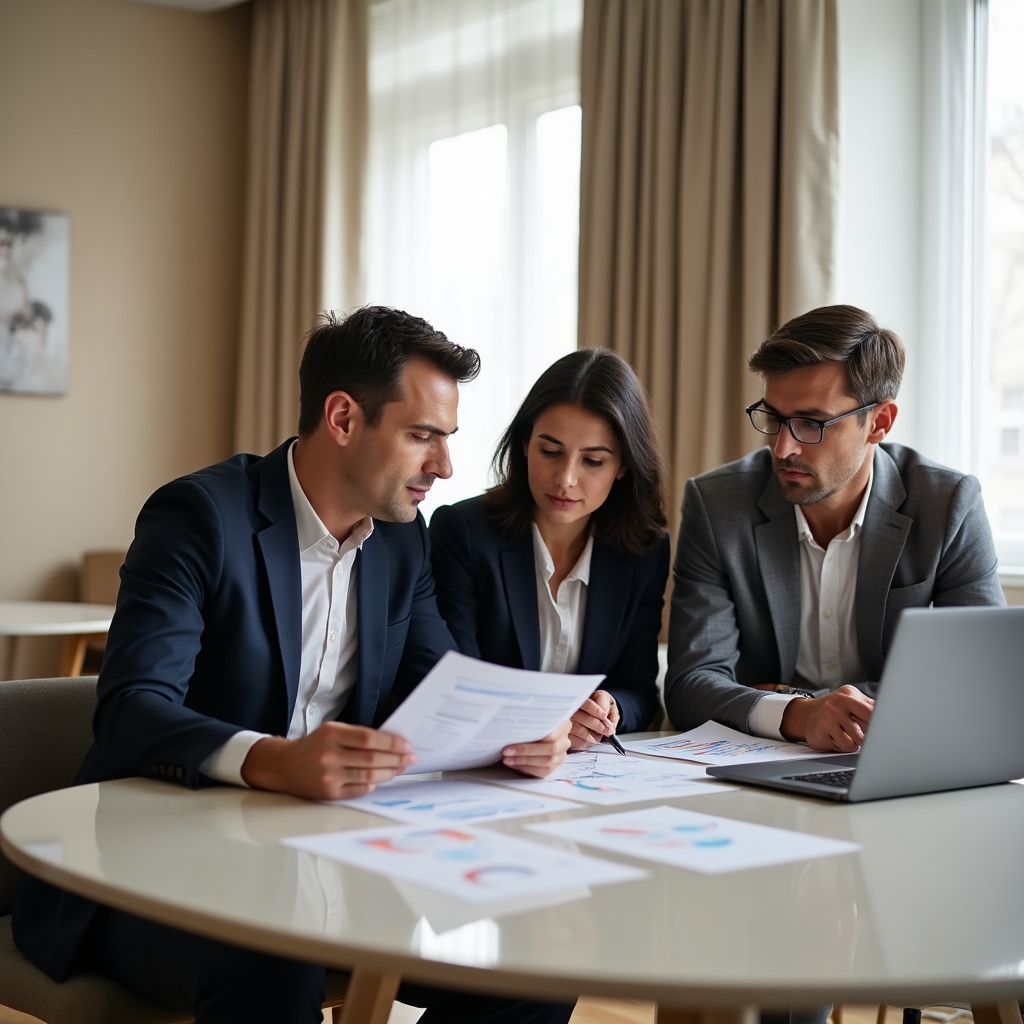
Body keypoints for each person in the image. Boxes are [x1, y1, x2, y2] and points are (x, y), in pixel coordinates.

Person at [12, 305, 575, 1024]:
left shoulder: (404, 540)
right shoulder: (199, 516)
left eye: (447, 439)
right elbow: (130, 709)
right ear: (343, 419)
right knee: (273, 960)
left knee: (534, 953)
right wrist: (275, 761)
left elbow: (440, 691)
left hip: (333, 854)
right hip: (156, 865)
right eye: (423, 437)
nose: (445, 466)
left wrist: (516, 732)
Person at [666, 304, 1005, 752]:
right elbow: (690, 686)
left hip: (900, 756)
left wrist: (788, 697)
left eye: (811, 423)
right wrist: (801, 716)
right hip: (759, 765)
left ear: (879, 422)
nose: (783, 447)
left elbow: (979, 681)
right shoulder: (718, 505)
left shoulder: (948, 506)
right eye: (774, 417)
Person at [429, 348, 670, 748]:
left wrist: (609, 708)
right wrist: (546, 724)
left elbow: (640, 690)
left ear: (623, 466)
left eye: (593, 461)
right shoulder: (463, 533)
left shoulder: (644, 550)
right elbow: (456, 686)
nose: (565, 479)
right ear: (525, 443)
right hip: (484, 768)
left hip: (586, 778)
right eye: (550, 451)